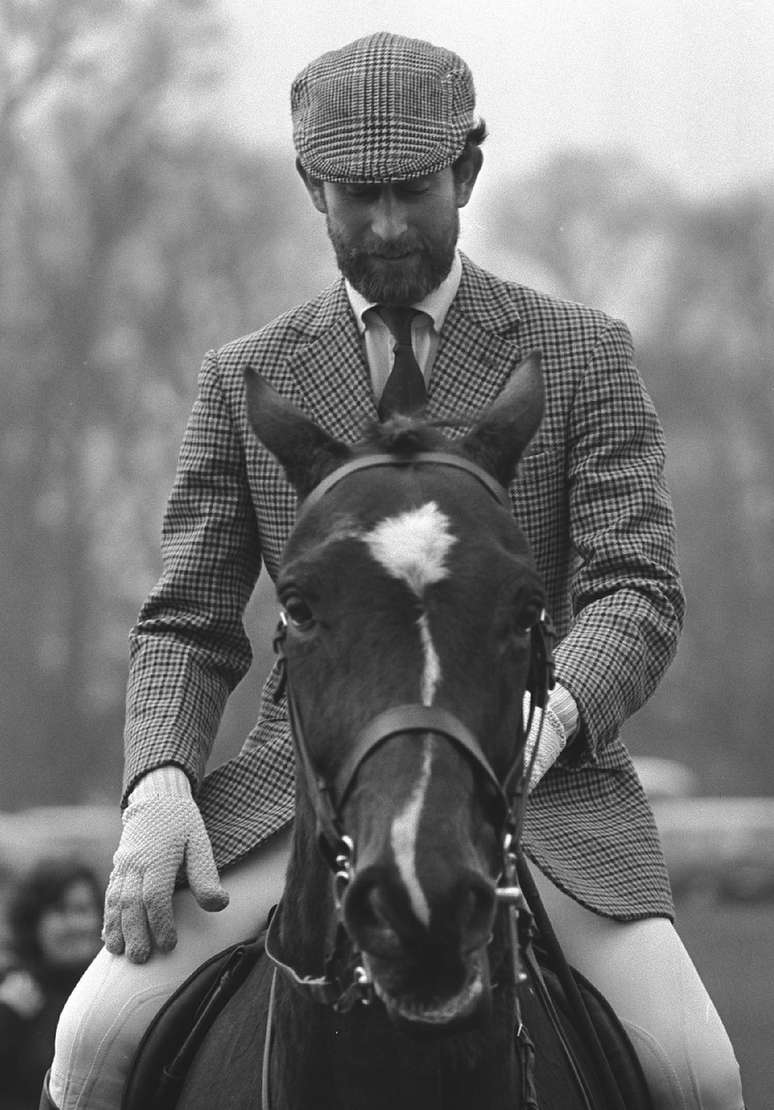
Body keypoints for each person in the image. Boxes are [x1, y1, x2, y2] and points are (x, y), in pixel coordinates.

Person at [44, 31, 744, 1110]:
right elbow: (186, 619)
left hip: (542, 799)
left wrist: (548, 716)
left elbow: (636, 587)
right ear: (309, 186)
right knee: (91, 1044)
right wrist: (159, 782)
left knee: (700, 1074)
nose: (383, 225)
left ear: (466, 169)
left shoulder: (582, 352)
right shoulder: (246, 378)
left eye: (412, 191)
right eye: (353, 196)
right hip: (304, 797)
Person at [0, 858, 102, 1109]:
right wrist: (7, 1016)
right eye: (59, 911)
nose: (75, 924)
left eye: (82, 910)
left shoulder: (113, 991)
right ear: (33, 922)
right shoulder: (13, 987)